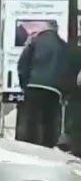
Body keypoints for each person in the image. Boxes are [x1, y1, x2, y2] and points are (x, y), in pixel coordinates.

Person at [16, 20, 70, 148]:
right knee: (49, 122)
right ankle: (47, 147)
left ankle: (29, 146)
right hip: (54, 90)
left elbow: (23, 65)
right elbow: (67, 70)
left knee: (31, 121)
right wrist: (64, 91)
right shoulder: (63, 46)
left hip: (34, 86)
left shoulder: (34, 42)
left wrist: (25, 84)